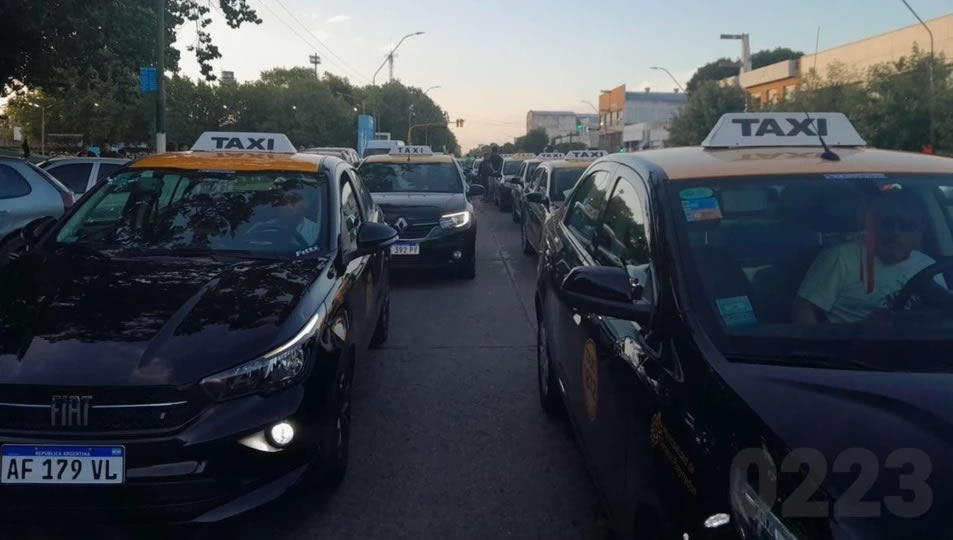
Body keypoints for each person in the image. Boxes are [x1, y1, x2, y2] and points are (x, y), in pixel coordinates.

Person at [792, 187, 944, 324]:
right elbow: (804, 309)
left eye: (906, 226)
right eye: (887, 223)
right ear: (873, 226)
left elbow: (942, 313)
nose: (895, 233)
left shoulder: (927, 265)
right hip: (852, 344)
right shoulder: (841, 258)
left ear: (919, 232)